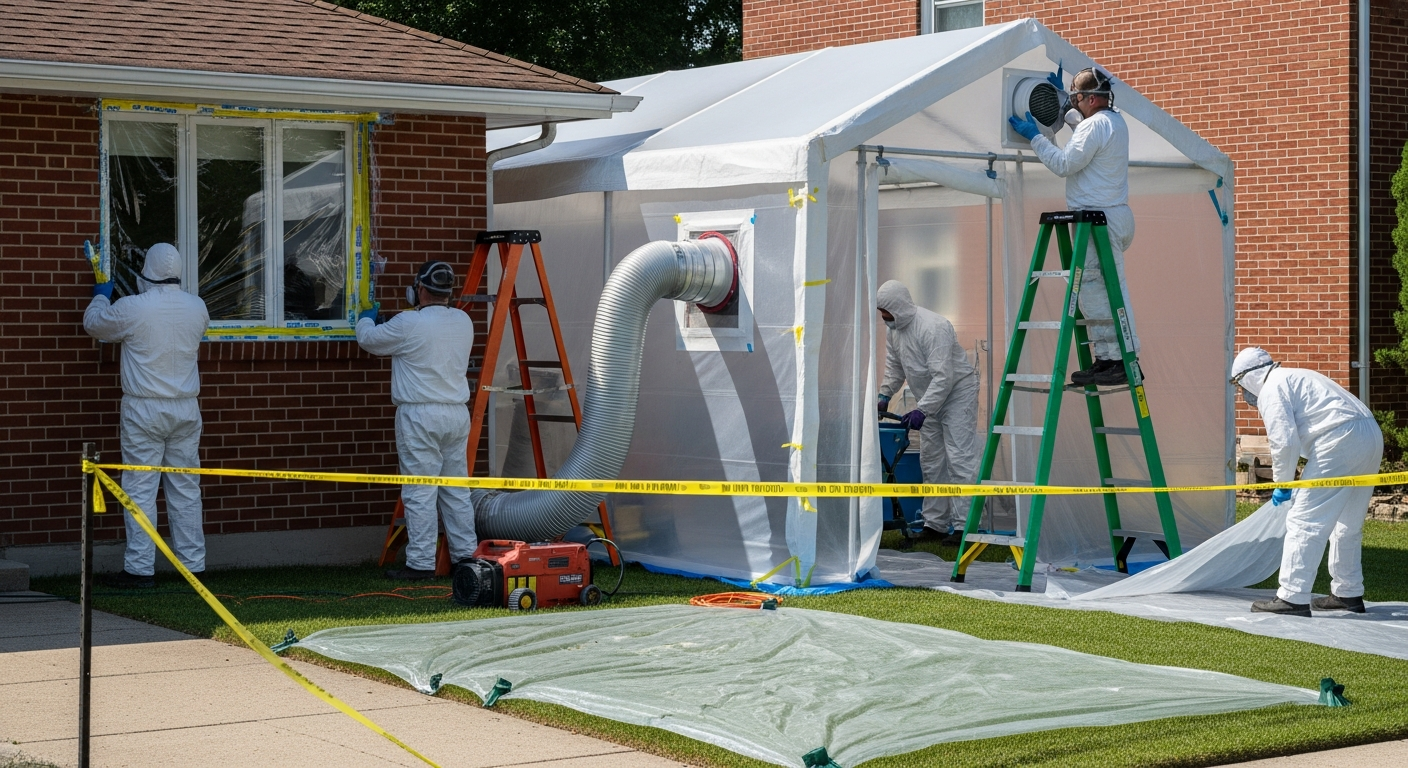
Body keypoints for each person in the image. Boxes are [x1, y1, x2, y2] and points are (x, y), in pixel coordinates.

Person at [83, 243, 210, 588]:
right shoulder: (196, 307)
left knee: (140, 489)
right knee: (186, 489)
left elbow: (93, 325)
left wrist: (100, 295)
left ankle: (140, 570)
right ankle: (192, 568)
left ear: (147, 272)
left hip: (144, 408)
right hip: (186, 407)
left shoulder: (133, 308)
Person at [1009, 67, 1139, 386]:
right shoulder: (1114, 122)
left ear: (1092, 99)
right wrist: (1066, 112)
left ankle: (1115, 359)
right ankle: (1113, 358)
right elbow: (1084, 136)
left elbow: (1064, 163)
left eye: (1077, 97)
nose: (1074, 102)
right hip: (1113, 216)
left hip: (1097, 221)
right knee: (1112, 289)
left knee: (1096, 292)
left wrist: (1036, 136)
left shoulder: (1094, 126)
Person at [1230, 347, 1383, 616]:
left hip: (1340, 439)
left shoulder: (1271, 389)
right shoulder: (1294, 376)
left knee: (1304, 520)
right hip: (1369, 434)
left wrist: (1282, 484)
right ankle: (1347, 593)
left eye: (1238, 383)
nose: (1241, 392)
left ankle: (1292, 597)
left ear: (1248, 376)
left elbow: (1284, 442)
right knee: (1347, 523)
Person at [357, 260, 478, 580]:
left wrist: (364, 320)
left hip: (420, 414)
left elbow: (369, 340)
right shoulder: (464, 321)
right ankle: (466, 559)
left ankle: (421, 564)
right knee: (456, 491)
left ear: (419, 290)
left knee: (420, 491)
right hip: (455, 413)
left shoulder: (409, 323)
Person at [876, 280, 980, 543]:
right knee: (932, 461)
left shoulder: (934, 327)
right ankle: (935, 524)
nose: (884, 318)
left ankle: (964, 528)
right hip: (929, 399)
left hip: (957, 393)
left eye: (886, 312)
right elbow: (895, 366)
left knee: (959, 458)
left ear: (897, 306)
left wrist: (922, 409)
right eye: (882, 313)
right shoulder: (895, 331)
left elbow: (944, 377)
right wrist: (885, 394)